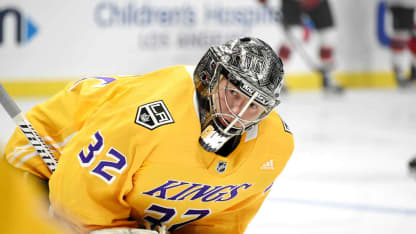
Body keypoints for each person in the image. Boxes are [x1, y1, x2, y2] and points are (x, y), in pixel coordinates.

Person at [3, 37, 294, 233]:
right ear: (211, 77)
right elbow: (76, 203)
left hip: (125, 200)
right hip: (43, 164)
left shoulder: (274, 146)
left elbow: (223, 219)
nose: (240, 111)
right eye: (234, 93)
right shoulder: (144, 120)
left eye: (255, 104)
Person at [258, 0, 343, 93]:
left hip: (318, 2)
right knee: (294, 36)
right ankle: (276, 78)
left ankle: (328, 78)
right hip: (292, 3)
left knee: (329, 37)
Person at [385, 0, 416, 88]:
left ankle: (411, 72)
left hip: (408, 8)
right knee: (400, 39)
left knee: (411, 41)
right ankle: (400, 73)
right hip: (400, 7)